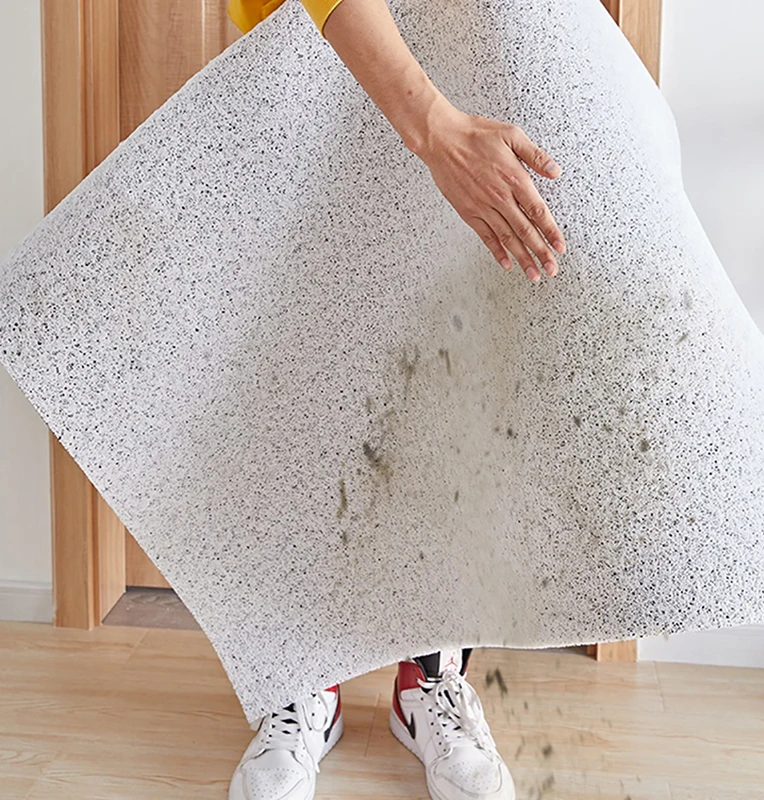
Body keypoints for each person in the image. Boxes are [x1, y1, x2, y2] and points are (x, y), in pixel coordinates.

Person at [226, 0, 567, 798]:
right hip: (312, 59)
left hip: (484, 57)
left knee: (454, 376)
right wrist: (434, 126)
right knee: (308, 369)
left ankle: (431, 682)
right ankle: (302, 676)